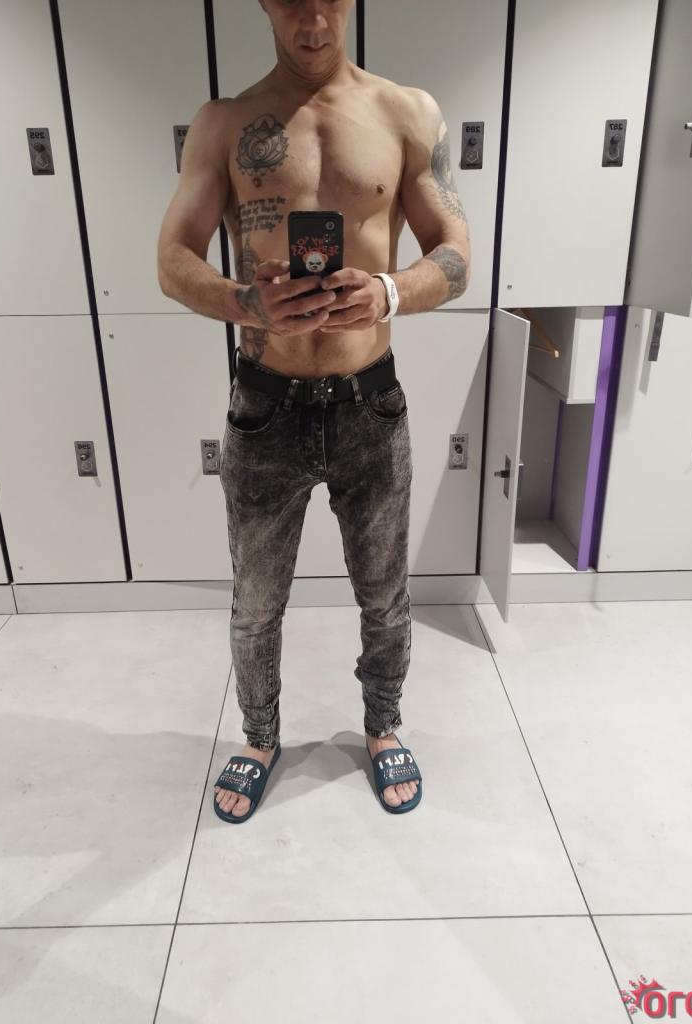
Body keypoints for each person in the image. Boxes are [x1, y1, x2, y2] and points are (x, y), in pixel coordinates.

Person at [157, 0, 472, 822]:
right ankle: (260, 739)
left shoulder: (408, 113)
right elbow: (171, 257)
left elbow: (456, 253)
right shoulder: (224, 124)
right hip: (266, 406)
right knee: (256, 604)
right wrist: (246, 302)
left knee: (385, 595)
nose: (313, 18)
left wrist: (388, 291)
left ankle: (382, 726)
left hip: (371, 402)